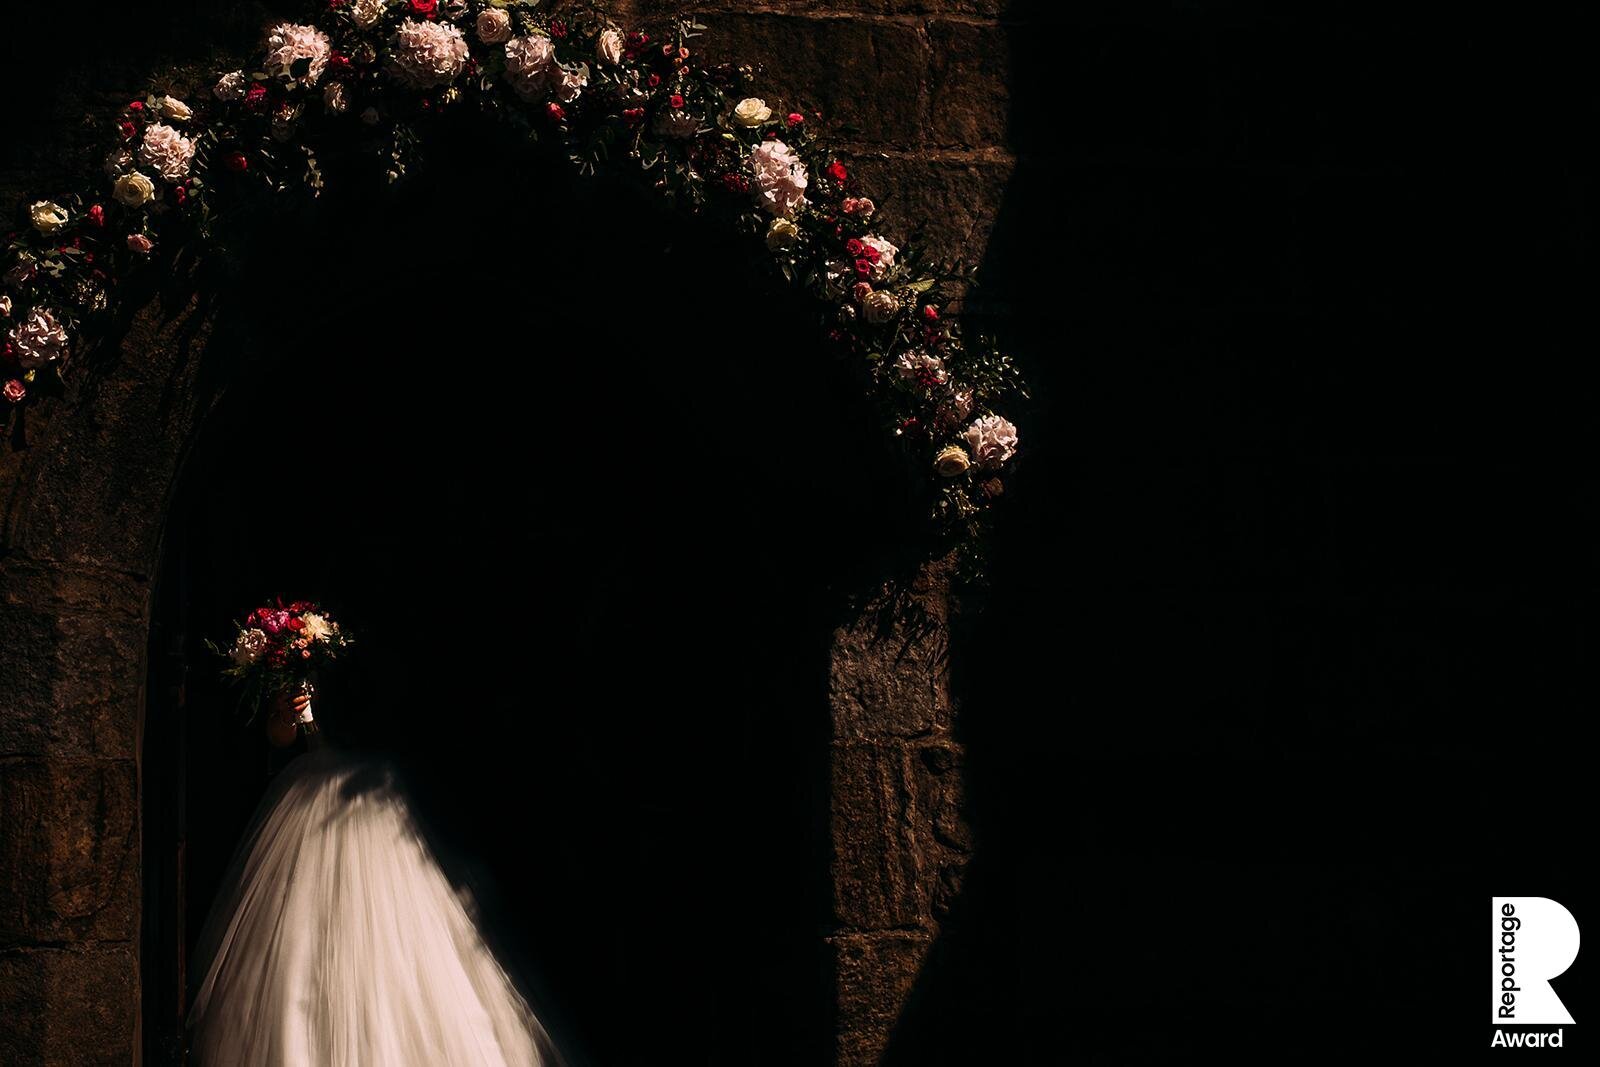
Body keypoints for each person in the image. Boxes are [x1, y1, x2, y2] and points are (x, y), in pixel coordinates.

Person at [186, 686, 560, 1065]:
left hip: (375, 788)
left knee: (397, 931)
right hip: (314, 787)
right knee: (300, 930)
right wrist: (285, 712)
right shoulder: (300, 645)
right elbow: (281, 736)